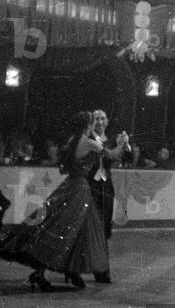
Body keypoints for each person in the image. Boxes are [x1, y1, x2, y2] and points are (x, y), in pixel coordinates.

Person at [0, 111, 130, 291]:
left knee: (56, 227)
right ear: (88, 125)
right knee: (69, 230)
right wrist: (122, 144)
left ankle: (56, 271)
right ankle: (61, 271)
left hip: (70, 185)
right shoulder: (90, 143)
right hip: (81, 190)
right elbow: (112, 155)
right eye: (93, 123)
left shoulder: (72, 141)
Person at [89, 109, 131, 284]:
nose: (99, 122)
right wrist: (121, 145)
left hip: (105, 186)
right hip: (90, 186)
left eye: (102, 118)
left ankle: (101, 267)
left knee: (104, 226)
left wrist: (125, 145)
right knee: (92, 226)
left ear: (107, 122)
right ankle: (99, 270)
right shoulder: (89, 139)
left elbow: (126, 157)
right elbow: (111, 154)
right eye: (96, 119)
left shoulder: (110, 140)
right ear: (92, 122)